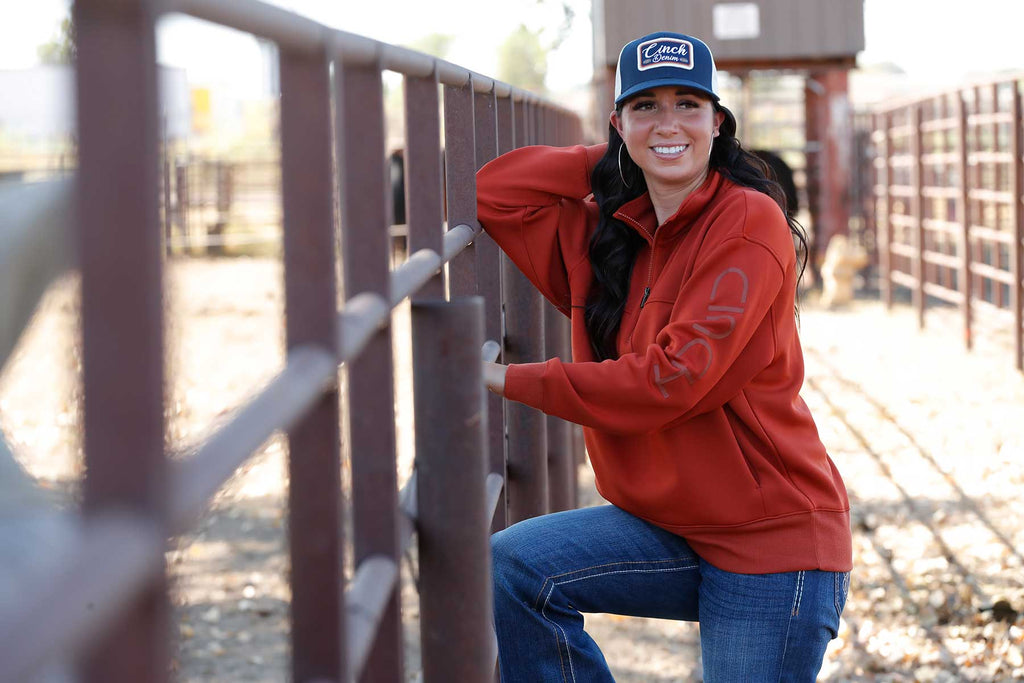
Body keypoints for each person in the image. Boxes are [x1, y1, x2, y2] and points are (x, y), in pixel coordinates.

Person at [476, 31, 852, 682]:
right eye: (646, 106)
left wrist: (507, 379)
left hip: (769, 542)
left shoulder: (747, 222)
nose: (669, 122)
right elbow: (497, 192)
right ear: (616, 122)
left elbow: (671, 380)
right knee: (514, 564)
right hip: (669, 526)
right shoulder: (611, 233)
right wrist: (620, 160)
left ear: (718, 122)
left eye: (688, 105)